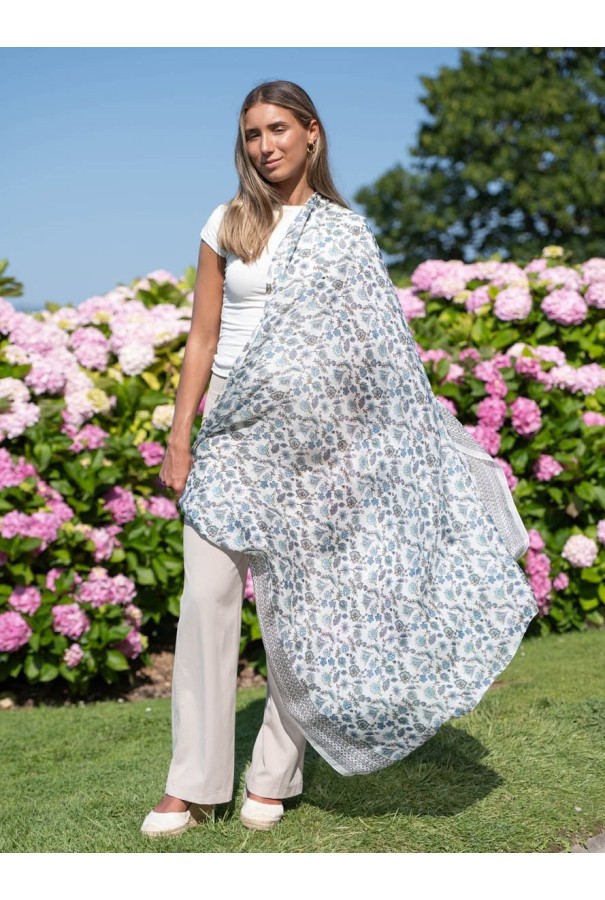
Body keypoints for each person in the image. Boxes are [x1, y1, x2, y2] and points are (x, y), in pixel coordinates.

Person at [141, 80, 538, 838]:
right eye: (253, 133)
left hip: (318, 447)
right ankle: (191, 784)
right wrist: (181, 436)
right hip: (233, 430)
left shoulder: (345, 234)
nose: (265, 146)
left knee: (304, 607)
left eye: (278, 129)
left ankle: (272, 774)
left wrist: (385, 448)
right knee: (205, 598)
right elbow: (202, 336)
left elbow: (376, 352)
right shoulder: (226, 222)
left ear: (311, 133)